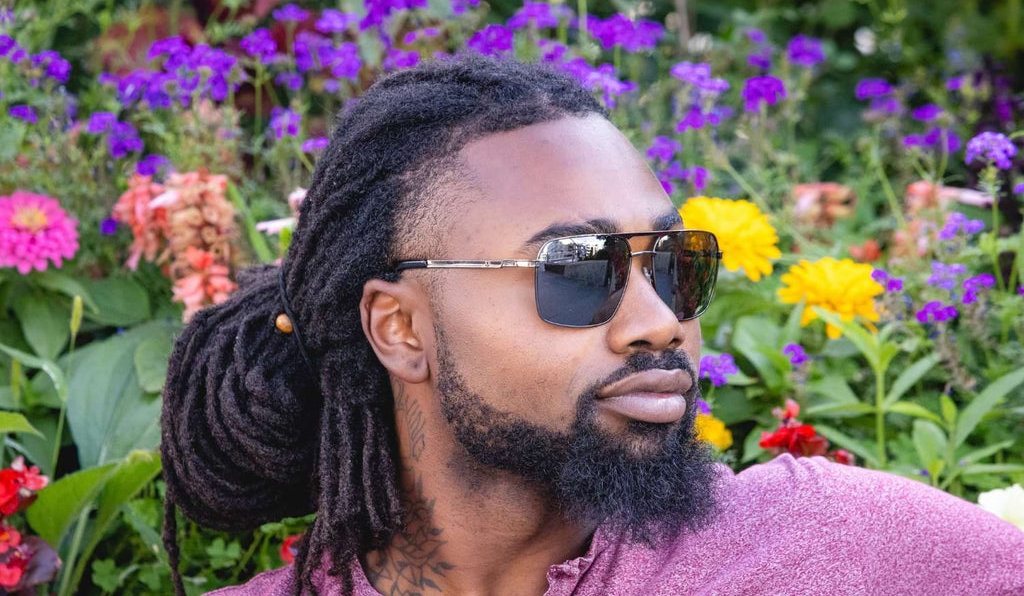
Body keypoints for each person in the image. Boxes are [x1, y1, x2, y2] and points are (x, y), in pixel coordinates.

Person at [159, 53, 1024, 596]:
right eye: (578, 268)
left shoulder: (837, 546)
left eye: (676, 263)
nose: (658, 323)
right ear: (401, 328)